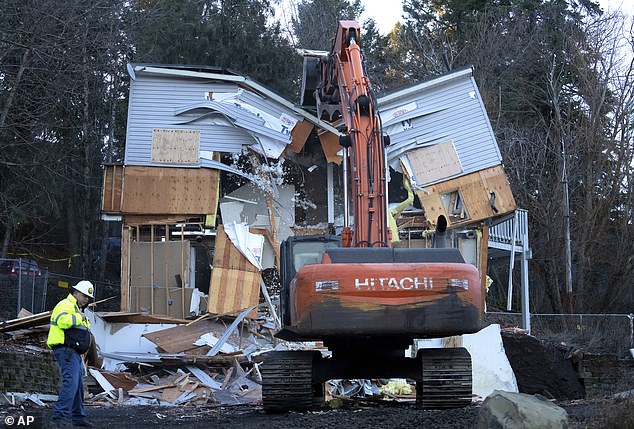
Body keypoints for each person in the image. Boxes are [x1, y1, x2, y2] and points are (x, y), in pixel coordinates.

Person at [47, 280, 95, 427]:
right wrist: (78, 317)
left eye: (89, 297)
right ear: (75, 293)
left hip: (73, 351)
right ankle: (58, 418)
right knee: (71, 382)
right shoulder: (65, 305)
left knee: (78, 384)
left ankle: (78, 418)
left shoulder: (76, 309)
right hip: (66, 350)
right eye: (84, 295)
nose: (87, 299)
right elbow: (62, 322)